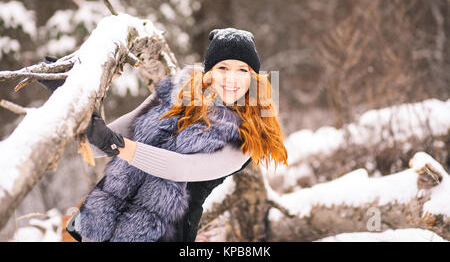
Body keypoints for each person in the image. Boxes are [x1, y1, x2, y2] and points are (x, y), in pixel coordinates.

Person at [39, 28, 288, 242]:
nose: (232, 78)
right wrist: (72, 100)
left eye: (242, 70)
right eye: (222, 67)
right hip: (103, 216)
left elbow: (181, 168)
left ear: (253, 77)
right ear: (208, 72)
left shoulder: (247, 136)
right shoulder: (173, 93)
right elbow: (100, 143)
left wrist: (119, 147)